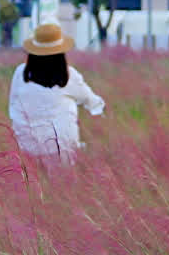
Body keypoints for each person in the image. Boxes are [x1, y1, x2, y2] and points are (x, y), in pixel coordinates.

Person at [7, 20, 105, 161]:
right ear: (61, 53)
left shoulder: (20, 73)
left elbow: (13, 106)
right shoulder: (69, 75)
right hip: (62, 152)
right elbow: (91, 101)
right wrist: (100, 108)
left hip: (27, 150)